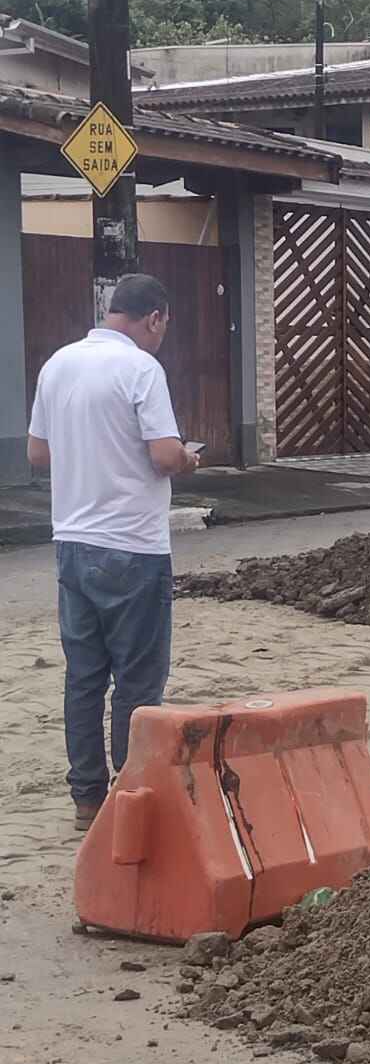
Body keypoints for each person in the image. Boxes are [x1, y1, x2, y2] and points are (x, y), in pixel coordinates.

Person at [26, 274, 199, 831]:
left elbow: (37, 453)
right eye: (163, 327)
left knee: (84, 676)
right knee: (138, 681)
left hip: (73, 543)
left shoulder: (59, 364)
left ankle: (86, 800)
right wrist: (189, 458)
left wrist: (89, 457)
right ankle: (132, 794)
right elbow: (165, 456)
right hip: (132, 545)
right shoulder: (141, 369)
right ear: (154, 317)